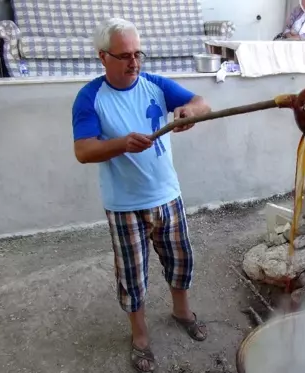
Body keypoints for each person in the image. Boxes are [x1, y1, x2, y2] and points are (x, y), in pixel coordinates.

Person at [71, 18, 212, 373]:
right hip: (125, 206)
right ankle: (141, 337)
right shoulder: (90, 98)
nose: (134, 63)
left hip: (168, 196)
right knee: (132, 275)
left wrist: (188, 112)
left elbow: (201, 102)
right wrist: (121, 144)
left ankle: (182, 312)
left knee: (180, 260)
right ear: (103, 57)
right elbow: (84, 151)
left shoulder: (154, 85)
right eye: (124, 56)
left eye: (138, 54)